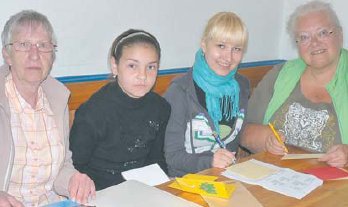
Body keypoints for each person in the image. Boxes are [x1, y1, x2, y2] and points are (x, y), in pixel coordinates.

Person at [0, 10, 95, 206]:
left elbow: (61, 167)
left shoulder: (57, 99)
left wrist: (73, 180)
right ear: (7, 55)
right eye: (24, 45)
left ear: (52, 56)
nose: (34, 55)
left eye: (43, 46)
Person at [241, 1, 348, 168]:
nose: (314, 42)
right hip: (276, 179)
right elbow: (244, 130)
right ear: (297, 44)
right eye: (304, 37)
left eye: (323, 33)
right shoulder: (280, 74)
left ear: (340, 35)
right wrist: (265, 141)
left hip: (334, 189)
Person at [69, 29, 171, 190]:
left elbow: (157, 160)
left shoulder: (161, 108)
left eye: (151, 67)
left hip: (142, 190)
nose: (142, 75)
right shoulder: (93, 112)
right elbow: (76, 167)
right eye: (132, 66)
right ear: (115, 66)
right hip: (100, 191)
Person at [164, 12, 250, 177]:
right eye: (221, 46)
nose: (228, 56)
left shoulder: (242, 86)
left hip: (226, 178)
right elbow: (172, 157)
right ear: (204, 45)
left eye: (237, 49)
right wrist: (210, 162)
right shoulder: (180, 91)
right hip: (184, 182)